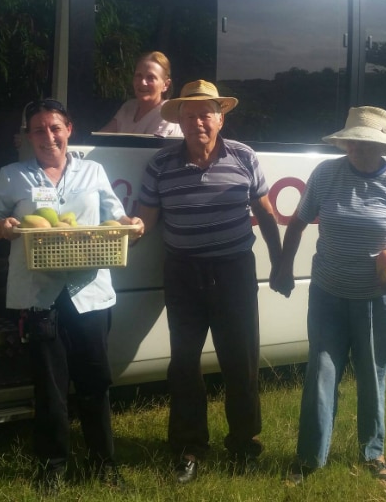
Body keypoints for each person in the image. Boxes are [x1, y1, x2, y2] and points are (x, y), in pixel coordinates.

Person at [0, 98, 144, 492]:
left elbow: (114, 216)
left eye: (55, 127)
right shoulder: (12, 176)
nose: (48, 136)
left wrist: (131, 224)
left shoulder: (93, 171)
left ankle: (104, 464)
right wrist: (4, 227)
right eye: (38, 129)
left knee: (95, 383)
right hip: (38, 295)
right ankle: (52, 468)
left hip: (89, 293)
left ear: (69, 129)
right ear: (27, 136)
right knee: (50, 387)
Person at [271, 106, 386, 485]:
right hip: (328, 293)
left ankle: (373, 452)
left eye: (368, 143)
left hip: (380, 301)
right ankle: (310, 457)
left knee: (372, 375)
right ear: (345, 141)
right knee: (321, 371)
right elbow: (296, 222)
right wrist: (283, 267)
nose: (358, 149)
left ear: (384, 148)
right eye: (353, 142)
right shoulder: (326, 173)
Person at [136, 80, 283, 483]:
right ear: (179, 121)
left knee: (241, 362)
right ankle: (189, 448)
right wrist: (127, 228)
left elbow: (267, 214)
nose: (198, 121)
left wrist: (280, 263)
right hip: (182, 272)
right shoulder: (159, 166)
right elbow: (144, 219)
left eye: (206, 114)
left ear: (220, 118)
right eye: (190, 115)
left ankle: (244, 444)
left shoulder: (244, 157)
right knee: (184, 364)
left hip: (235, 270)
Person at [98, 51, 183, 137]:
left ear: (165, 85)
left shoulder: (167, 114)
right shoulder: (128, 107)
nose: (143, 82)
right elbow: (100, 139)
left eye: (150, 77)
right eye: (139, 76)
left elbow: (151, 149)